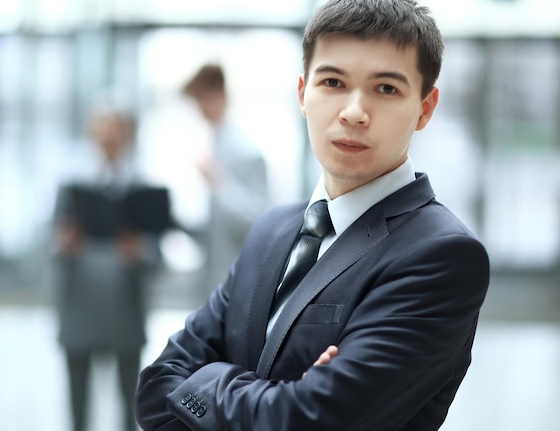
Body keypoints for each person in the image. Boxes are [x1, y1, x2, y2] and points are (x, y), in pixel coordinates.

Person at [135, 1, 490, 430]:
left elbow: (310, 422)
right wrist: (282, 395)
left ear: (425, 108)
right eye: (333, 81)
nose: (354, 112)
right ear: (303, 93)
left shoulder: (441, 255)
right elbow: (155, 388)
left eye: (386, 89)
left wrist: (204, 385)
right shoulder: (272, 230)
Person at [53, 98, 161, 431]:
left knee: (128, 401)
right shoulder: (71, 187)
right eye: (103, 132)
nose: (109, 139)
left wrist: (139, 250)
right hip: (80, 307)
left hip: (124, 310)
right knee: (77, 403)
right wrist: (65, 244)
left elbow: (156, 255)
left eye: (116, 132)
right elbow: (52, 245)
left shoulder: (143, 188)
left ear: (127, 136)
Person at [183, 64, 270, 296]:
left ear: (218, 95)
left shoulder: (245, 151)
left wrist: (218, 182)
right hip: (214, 278)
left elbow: (258, 220)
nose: (198, 109)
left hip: (237, 279)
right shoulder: (214, 143)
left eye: (201, 99)